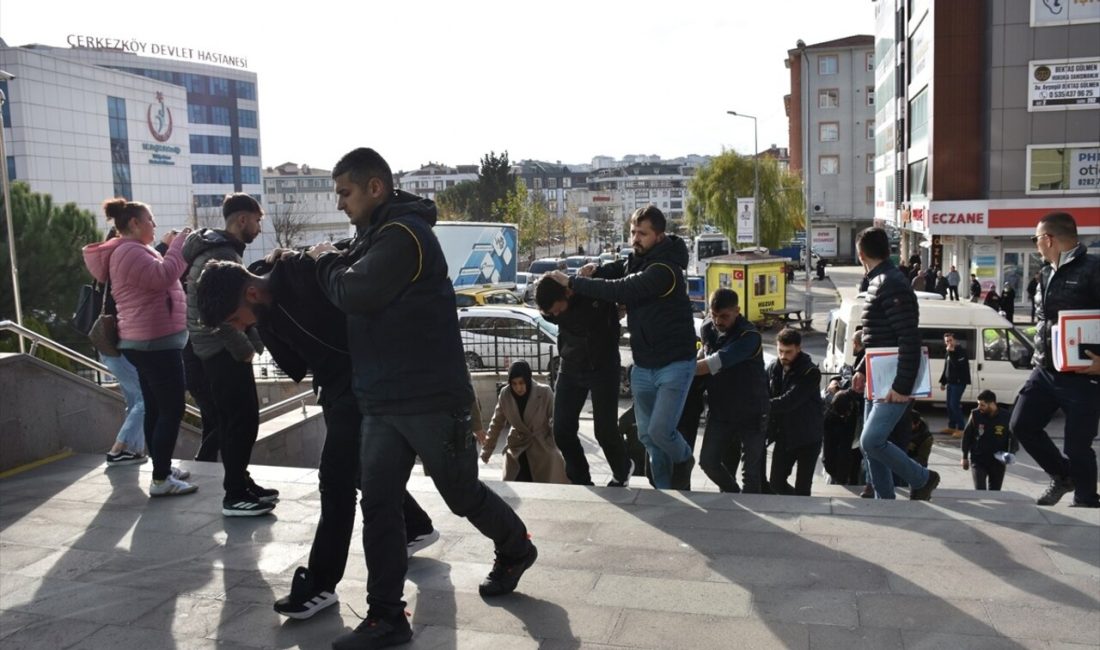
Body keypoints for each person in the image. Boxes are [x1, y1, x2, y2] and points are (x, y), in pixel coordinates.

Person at [310, 148, 535, 649]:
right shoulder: (374, 236)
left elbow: (354, 292)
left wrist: (322, 261)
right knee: (381, 505)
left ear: (375, 188)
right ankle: (387, 615)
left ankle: (515, 546)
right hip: (382, 401)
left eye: (346, 193)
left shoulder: (406, 237)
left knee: (460, 495)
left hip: (430, 400)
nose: (341, 204)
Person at [194, 258, 441, 621]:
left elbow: (361, 295)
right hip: (341, 389)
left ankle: (325, 586)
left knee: (339, 481)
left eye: (236, 319)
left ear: (250, 292)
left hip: (365, 383)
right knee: (350, 475)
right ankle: (415, 527)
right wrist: (267, 325)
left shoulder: (303, 273)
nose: (240, 327)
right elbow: (295, 367)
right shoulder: (267, 313)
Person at [546, 205, 696, 489]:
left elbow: (622, 289)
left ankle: (684, 458)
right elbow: (618, 270)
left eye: (643, 233)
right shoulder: (637, 259)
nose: (635, 239)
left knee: (660, 431)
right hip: (643, 364)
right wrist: (597, 268)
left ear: (660, 236)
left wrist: (573, 282)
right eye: (632, 232)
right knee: (648, 438)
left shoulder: (665, 270)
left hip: (674, 363)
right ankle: (664, 491)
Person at [82, 199, 195, 496]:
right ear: (134, 223)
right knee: (171, 408)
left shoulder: (130, 251)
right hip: (153, 342)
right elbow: (163, 276)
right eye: (150, 220)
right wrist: (181, 243)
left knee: (156, 408)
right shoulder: (129, 251)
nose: (154, 225)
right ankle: (160, 479)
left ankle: (161, 467)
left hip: (148, 341)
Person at [183, 193, 274, 517]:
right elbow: (216, 314)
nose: (259, 228)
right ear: (242, 219)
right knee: (239, 421)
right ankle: (235, 494)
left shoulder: (221, 251)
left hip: (220, 350)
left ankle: (241, 482)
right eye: (257, 220)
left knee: (242, 420)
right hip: (220, 351)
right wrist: (246, 350)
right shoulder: (220, 255)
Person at [1011, 212, 1100, 508]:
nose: (1036, 245)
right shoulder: (1046, 270)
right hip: (1046, 369)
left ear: (1048, 239)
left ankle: (1087, 499)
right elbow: (1043, 319)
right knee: (1021, 425)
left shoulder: (1093, 268)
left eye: (1036, 239)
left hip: (1083, 373)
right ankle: (1062, 476)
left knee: (1077, 447)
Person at [851, 227, 940, 501]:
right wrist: (862, 368)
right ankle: (884, 500)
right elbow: (882, 335)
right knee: (871, 445)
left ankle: (923, 478)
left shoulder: (891, 283)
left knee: (871, 440)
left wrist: (902, 385)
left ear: (861, 254)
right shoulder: (880, 281)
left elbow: (909, 337)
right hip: (877, 375)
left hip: (893, 379)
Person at [535, 268, 632, 487]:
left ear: (568, 294)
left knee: (604, 430)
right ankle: (581, 479)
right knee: (561, 429)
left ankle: (622, 469)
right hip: (570, 366)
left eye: (557, 311)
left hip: (603, 366)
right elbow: (548, 300)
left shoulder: (591, 289)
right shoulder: (550, 307)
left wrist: (597, 269)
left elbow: (625, 270)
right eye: (551, 314)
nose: (556, 317)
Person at [695, 289, 768, 493]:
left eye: (724, 316)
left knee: (751, 476)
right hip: (721, 410)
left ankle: (751, 519)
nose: (718, 321)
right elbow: (705, 351)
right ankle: (732, 495)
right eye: (714, 314)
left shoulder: (749, 336)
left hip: (751, 411)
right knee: (708, 462)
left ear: (737, 311)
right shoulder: (707, 326)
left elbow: (714, 362)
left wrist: (681, 370)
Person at [90, 227, 147, 467]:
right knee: (146, 399)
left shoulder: (104, 272)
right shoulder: (119, 272)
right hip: (117, 347)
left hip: (109, 346)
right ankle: (118, 449)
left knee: (135, 401)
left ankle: (133, 450)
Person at [480, 361, 569, 483]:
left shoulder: (544, 392)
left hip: (542, 445)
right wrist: (487, 450)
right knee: (515, 485)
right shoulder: (505, 394)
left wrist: (552, 442)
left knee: (547, 483)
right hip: (517, 445)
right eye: (514, 384)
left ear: (528, 379)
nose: (518, 388)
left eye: (521, 383)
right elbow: (496, 423)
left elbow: (556, 419)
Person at [765, 328, 824, 496]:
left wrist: (760, 406)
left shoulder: (810, 372)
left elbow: (789, 401)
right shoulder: (773, 368)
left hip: (808, 437)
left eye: (788, 352)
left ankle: (801, 507)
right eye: (780, 351)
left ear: (798, 348)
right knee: (776, 483)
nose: (783, 356)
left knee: (803, 488)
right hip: (785, 436)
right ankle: (795, 504)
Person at [961, 390, 1018, 491]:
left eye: (982, 405)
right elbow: (967, 436)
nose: (979, 408)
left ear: (992, 404)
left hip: (998, 462)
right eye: (978, 404)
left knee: (995, 492)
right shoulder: (975, 415)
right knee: (980, 491)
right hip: (978, 460)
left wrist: (1011, 453)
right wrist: (964, 457)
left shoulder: (1007, 417)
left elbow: (1014, 438)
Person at [939, 332, 971, 437]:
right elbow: (946, 368)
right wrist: (943, 382)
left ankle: (961, 428)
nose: (949, 343)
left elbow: (958, 366)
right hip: (950, 382)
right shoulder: (948, 352)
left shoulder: (961, 352)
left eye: (950, 340)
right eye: (947, 341)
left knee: (954, 405)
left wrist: (952, 353)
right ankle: (951, 426)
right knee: (949, 405)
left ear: (955, 341)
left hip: (959, 383)